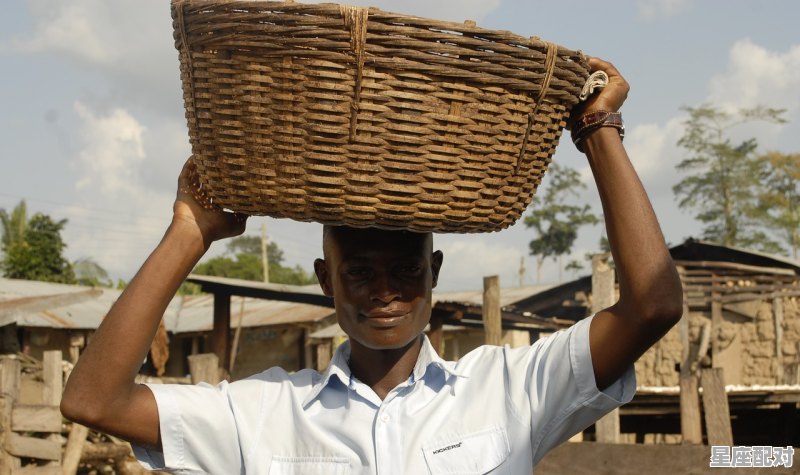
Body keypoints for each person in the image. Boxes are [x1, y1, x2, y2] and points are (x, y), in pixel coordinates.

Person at [61, 58, 683, 474]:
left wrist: (598, 128)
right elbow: (94, 400)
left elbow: (652, 306)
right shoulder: (261, 413)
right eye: (358, 272)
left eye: (405, 270)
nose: (385, 292)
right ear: (325, 280)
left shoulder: (512, 390)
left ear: (433, 270)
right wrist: (187, 235)